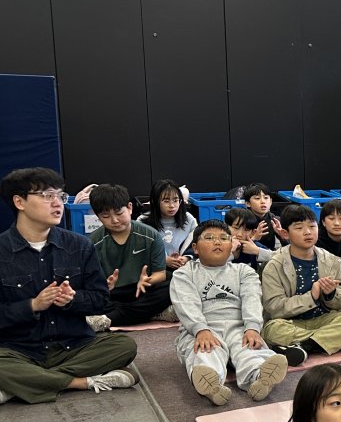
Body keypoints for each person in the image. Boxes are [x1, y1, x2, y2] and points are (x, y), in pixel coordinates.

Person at [0, 167, 138, 403]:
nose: (57, 203)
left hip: (74, 347)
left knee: (124, 345)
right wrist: (32, 305)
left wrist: (73, 299)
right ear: (19, 202)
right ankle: (81, 382)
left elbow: (101, 301)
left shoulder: (80, 246)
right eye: (47, 196)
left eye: (60, 196)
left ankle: (23, 384)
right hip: (20, 349)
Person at [170, 219, 289, 406]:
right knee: (205, 352)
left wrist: (252, 327)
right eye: (209, 238)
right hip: (202, 329)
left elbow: (252, 299)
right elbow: (186, 304)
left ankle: (260, 377)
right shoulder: (184, 273)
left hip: (239, 327)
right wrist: (200, 329)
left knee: (250, 350)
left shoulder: (243, 271)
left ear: (231, 245)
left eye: (224, 238)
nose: (217, 242)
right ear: (195, 248)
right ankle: (212, 386)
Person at [260, 204, 341, 365]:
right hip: (289, 323)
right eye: (299, 228)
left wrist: (330, 294)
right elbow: (274, 308)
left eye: (312, 226)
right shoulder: (275, 265)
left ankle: (306, 346)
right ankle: (340, 340)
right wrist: (311, 296)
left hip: (324, 319)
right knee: (272, 331)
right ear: (285, 233)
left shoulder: (331, 260)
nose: (307, 232)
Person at [85, 183, 173, 330]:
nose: (114, 220)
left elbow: (160, 274)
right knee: (86, 301)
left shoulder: (151, 235)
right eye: (106, 216)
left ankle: (109, 319)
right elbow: (91, 284)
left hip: (142, 290)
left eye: (119, 213)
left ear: (130, 208)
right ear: (97, 216)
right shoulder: (92, 242)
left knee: (173, 285)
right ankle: (150, 313)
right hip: (113, 294)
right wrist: (104, 285)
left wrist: (148, 280)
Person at [136, 178, 197, 271]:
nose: (172, 205)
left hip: (184, 268)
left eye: (175, 200)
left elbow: (197, 242)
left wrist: (186, 258)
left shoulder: (188, 219)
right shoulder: (142, 222)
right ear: (155, 202)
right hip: (155, 269)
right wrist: (163, 260)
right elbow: (139, 250)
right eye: (166, 201)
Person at [224, 206, 275, 270]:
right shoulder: (218, 244)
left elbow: (279, 258)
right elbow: (213, 265)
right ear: (225, 227)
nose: (240, 234)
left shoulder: (253, 245)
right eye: (236, 228)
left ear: (252, 233)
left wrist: (257, 251)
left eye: (246, 230)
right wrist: (230, 252)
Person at [242, 182, 286, 250]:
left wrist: (283, 237)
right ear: (248, 203)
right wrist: (254, 238)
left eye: (266, 198)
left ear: (270, 202)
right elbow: (238, 248)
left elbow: (290, 248)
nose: (263, 201)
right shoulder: (242, 220)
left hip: (269, 255)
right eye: (257, 198)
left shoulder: (275, 220)